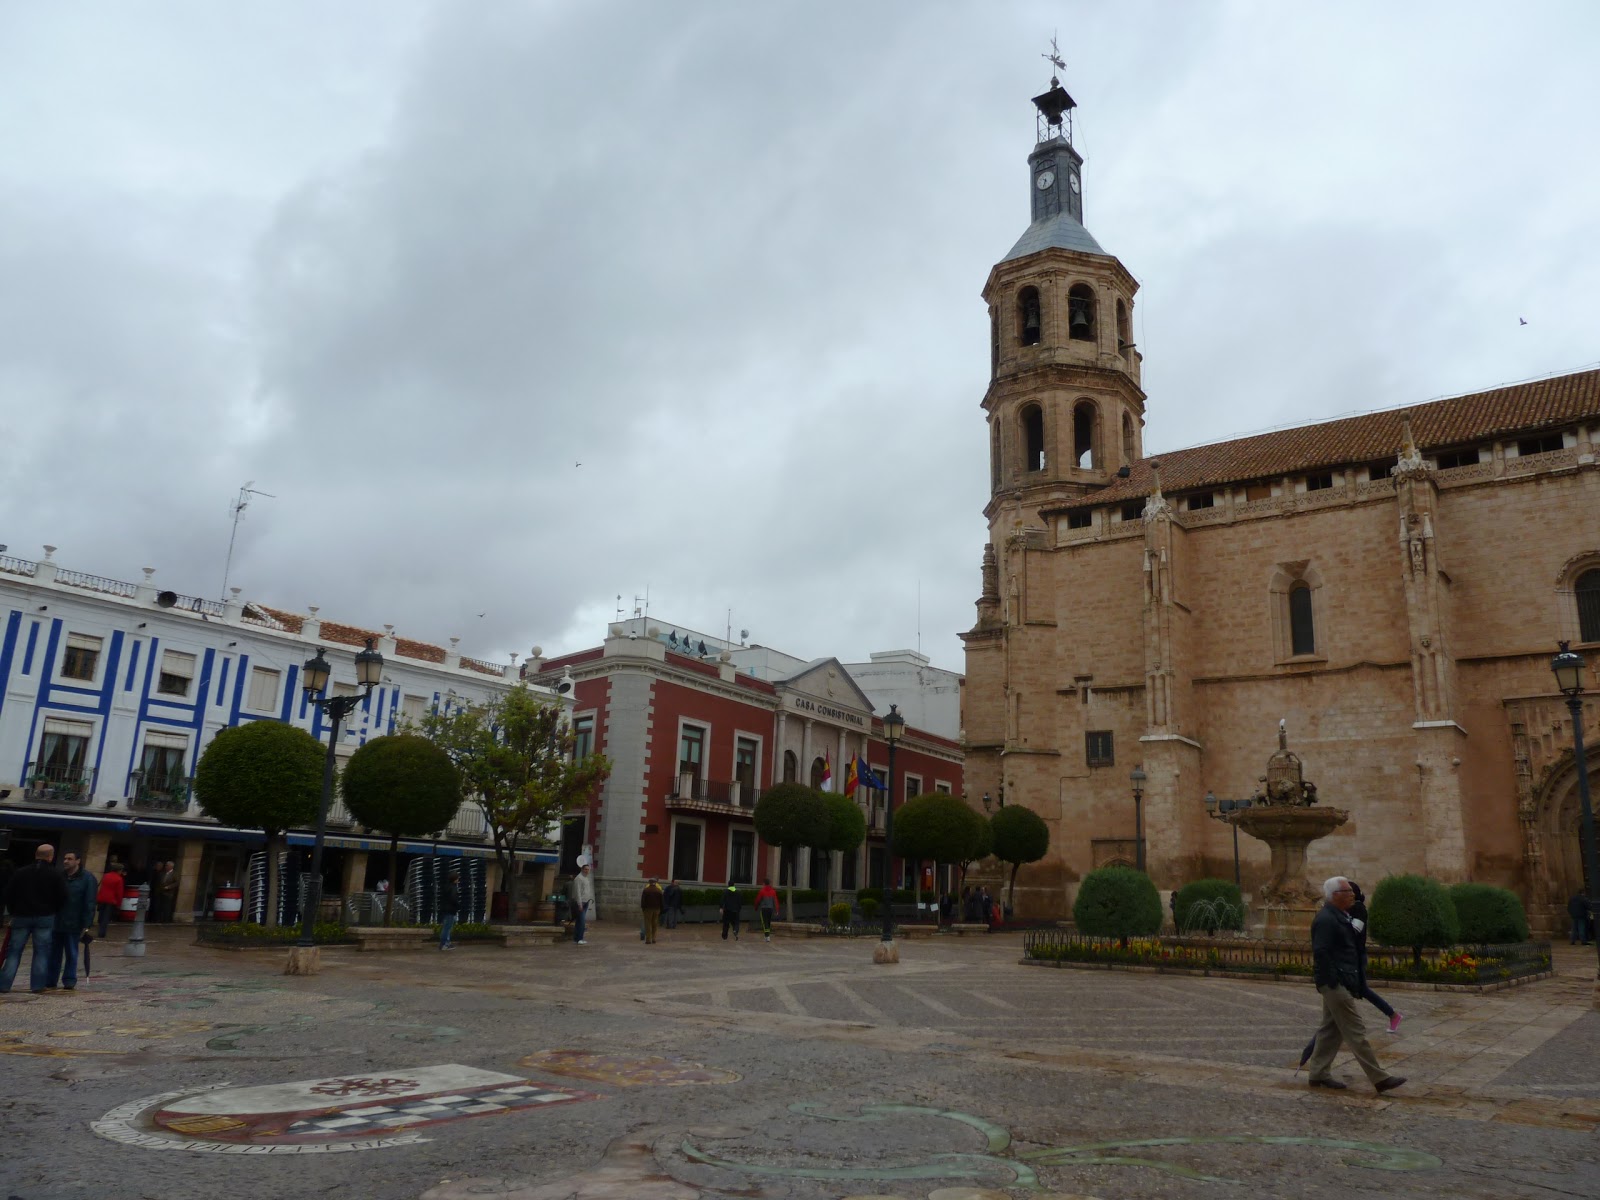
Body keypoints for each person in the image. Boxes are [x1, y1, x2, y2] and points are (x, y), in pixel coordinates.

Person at [1303, 875, 1405, 1094]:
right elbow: (1321, 952)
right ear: (1336, 896)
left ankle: (1318, 1074)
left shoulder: (1340, 916)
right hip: (1335, 983)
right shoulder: (1326, 919)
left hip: (1342, 980)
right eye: (1348, 892)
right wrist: (1334, 979)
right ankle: (1380, 1078)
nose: (1353, 895)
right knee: (1355, 1030)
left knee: (1330, 1029)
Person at [1, 844, 68, 995]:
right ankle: (37, 985)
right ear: (51, 856)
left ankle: (4, 984)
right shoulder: (55, 874)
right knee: (41, 952)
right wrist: (53, 910)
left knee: (14, 951)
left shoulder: (21, 872)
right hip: (45, 917)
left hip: (21, 916)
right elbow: (63, 897)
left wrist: (13, 911)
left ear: (36, 855)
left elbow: (8, 893)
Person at [48, 851, 97, 989]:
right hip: (57, 920)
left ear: (78, 861)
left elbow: (90, 902)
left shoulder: (87, 878)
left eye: (70, 859)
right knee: (53, 953)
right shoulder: (60, 876)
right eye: (64, 858)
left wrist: (86, 924)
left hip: (74, 922)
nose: (66, 861)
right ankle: (50, 979)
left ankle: (69, 980)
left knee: (71, 952)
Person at [96, 861, 125, 938]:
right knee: (106, 917)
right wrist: (119, 904)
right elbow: (119, 893)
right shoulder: (119, 879)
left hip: (102, 898)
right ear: (118, 870)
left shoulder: (106, 875)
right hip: (111, 900)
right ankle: (102, 933)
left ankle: (100, 930)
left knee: (101, 916)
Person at [569, 864, 594, 946]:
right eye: (585, 869)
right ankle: (580, 938)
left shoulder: (586, 878)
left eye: (588, 869)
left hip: (586, 901)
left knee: (579, 921)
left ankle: (577, 938)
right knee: (582, 921)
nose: (587, 871)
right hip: (580, 902)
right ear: (582, 869)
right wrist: (579, 904)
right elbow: (578, 893)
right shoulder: (578, 879)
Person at [438, 868, 460, 950]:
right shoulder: (453, 887)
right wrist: (458, 905)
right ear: (455, 879)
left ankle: (445, 943)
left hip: (445, 909)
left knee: (446, 927)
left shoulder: (446, 886)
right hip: (451, 909)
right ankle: (444, 944)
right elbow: (453, 898)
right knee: (447, 928)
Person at [640, 878, 664, 944]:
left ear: (649, 883)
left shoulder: (646, 890)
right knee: (655, 924)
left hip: (648, 909)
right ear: (655, 883)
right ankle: (654, 939)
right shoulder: (659, 891)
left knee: (648, 924)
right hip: (657, 909)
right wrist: (661, 909)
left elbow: (643, 901)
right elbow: (662, 901)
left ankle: (648, 939)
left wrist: (643, 908)